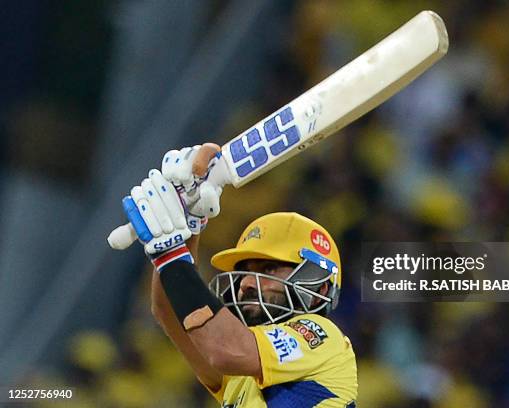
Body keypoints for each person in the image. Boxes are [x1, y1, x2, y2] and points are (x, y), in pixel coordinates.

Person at [119, 144, 357, 407]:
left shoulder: (325, 339)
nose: (246, 283)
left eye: (269, 269)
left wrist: (171, 253)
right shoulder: (240, 374)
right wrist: (189, 220)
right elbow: (170, 311)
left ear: (318, 288)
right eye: (245, 272)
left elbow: (227, 350)